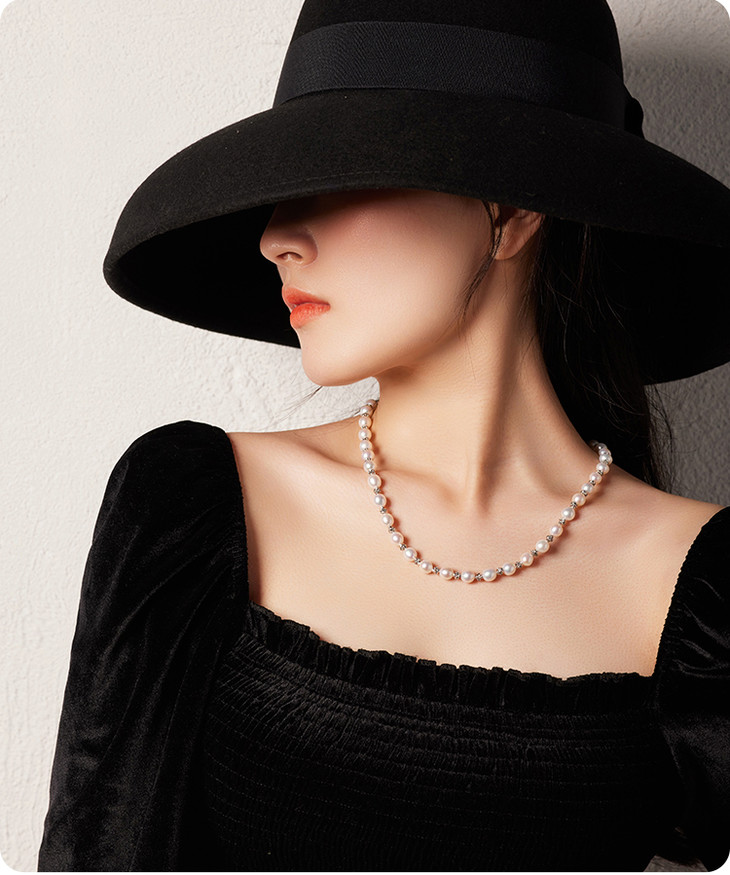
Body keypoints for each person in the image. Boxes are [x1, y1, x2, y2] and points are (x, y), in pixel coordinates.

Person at [37, 0, 730, 871]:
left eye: (342, 173)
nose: (275, 237)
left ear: (513, 212)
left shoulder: (702, 584)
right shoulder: (194, 506)